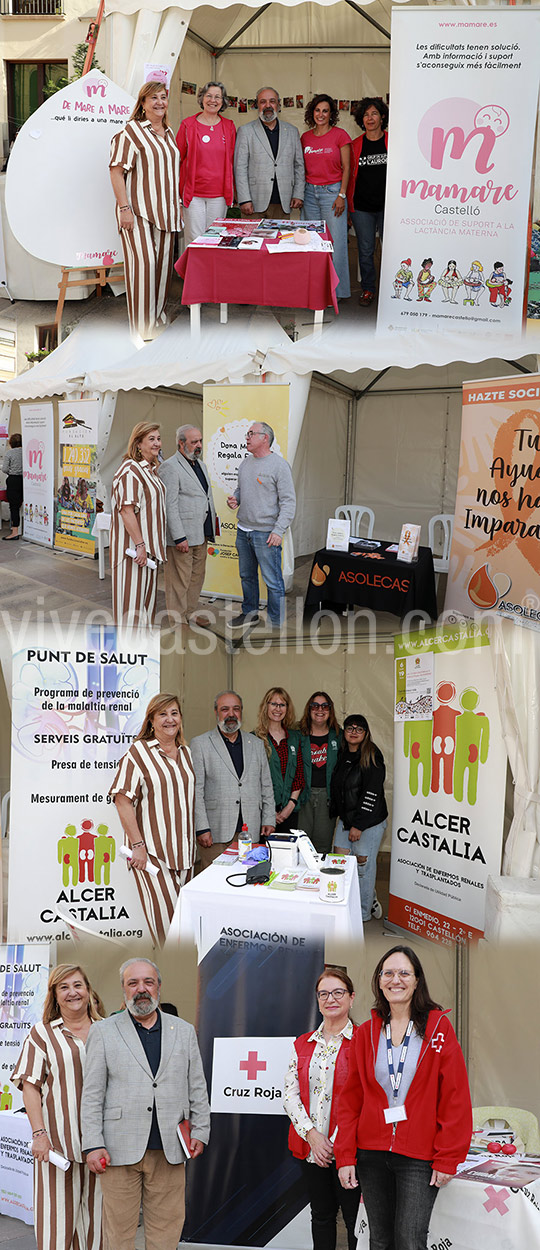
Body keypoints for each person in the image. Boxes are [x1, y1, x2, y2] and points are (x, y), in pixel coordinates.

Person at [335, 946, 472, 1250]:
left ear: (416, 980)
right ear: (379, 980)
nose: (395, 980)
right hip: (371, 1153)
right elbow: (350, 1100)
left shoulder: (438, 1029)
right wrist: (345, 1156)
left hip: (418, 1156)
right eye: (388, 973)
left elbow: (455, 1096)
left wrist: (448, 1156)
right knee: (380, 1240)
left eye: (404, 973)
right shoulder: (366, 1033)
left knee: (410, 1240)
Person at [82, 958, 210, 1250]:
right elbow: (92, 1094)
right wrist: (93, 1144)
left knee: (166, 1231)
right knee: (118, 1234)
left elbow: (197, 1086)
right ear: (124, 989)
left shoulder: (184, 1031)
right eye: (133, 983)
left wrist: (201, 1131)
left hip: (170, 1148)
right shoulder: (103, 1031)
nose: (141, 989)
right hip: (117, 1150)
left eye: (148, 982)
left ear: (159, 987)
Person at [11, 964, 103, 1250]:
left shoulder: (107, 1030)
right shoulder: (42, 1034)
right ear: (54, 995)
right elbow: (30, 1086)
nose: (72, 992)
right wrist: (39, 1134)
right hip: (57, 1147)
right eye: (64, 987)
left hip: (102, 1145)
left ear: (88, 990)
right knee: (56, 1228)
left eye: (77, 985)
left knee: (98, 1229)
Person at [109, 692, 195, 946]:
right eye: (162, 714)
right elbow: (122, 800)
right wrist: (138, 846)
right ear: (151, 720)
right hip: (154, 856)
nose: (170, 719)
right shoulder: (138, 753)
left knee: (186, 932)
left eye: (174, 713)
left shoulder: (186, 753)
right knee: (168, 934)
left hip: (186, 856)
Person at [284, 968, 360, 1250]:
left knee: (355, 1221)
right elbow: (290, 1094)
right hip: (312, 1149)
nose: (331, 999)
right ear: (317, 1000)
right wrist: (313, 1136)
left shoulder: (364, 1041)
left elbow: (365, 1099)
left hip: (352, 1150)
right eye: (324, 994)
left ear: (351, 998)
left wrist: (337, 1144)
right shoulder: (302, 1044)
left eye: (338, 992)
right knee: (321, 1216)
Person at [109, 81, 182, 339]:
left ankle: (157, 322)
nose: (160, 102)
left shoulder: (169, 133)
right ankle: (142, 332)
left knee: (162, 271)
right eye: (153, 98)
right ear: (142, 103)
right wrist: (124, 208)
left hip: (166, 213)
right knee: (144, 268)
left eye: (163, 97)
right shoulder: (130, 132)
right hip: (137, 213)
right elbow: (116, 172)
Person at [190, 690, 275, 869]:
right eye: (225, 709)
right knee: (214, 881)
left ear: (241, 711)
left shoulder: (256, 744)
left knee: (247, 878)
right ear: (216, 712)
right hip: (215, 833)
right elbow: (196, 790)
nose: (231, 714)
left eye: (236, 709)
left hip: (250, 831)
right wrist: (202, 828)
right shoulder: (200, 744)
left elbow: (266, 786)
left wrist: (268, 819)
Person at [226, 421, 296, 629]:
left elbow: (288, 502)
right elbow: (240, 489)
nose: (247, 438)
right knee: (247, 577)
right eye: (247, 434)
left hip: (266, 534)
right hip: (243, 530)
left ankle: (276, 624)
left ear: (265, 438)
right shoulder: (245, 463)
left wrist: (278, 530)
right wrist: (236, 499)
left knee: (273, 582)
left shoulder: (279, 466)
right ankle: (250, 614)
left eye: (251, 434)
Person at [330, 715, 387, 923]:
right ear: (344, 731)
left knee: (363, 865)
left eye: (359, 729)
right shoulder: (342, 754)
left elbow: (371, 794)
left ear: (366, 733)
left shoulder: (372, 756)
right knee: (340, 861)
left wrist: (358, 825)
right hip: (346, 820)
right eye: (350, 728)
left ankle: (363, 913)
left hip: (368, 821)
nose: (354, 732)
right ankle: (355, 901)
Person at [158, 424, 216, 626]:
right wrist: (179, 537)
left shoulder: (200, 465)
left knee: (196, 577)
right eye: (194, 442)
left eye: (200, 441)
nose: (199, 445)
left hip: (201, 532)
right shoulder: (170, 467)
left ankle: (190, 612)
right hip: (182, 536)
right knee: (178, 581)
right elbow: (169, 505)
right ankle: (177, 620)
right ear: (181, 444)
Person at [110, 421, 166, 630]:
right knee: (131, 610)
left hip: (148, 552)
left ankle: (143, 648)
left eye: (158, 438)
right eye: (151, 439)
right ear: (138, 444)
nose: (157, 443)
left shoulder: (150, 469)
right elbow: (126, 510)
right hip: (133, 553)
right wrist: (140, 545)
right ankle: (127, 649)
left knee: (146, 608)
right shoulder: (130, 470)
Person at [301, 95, 351, 299]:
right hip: (309, 194)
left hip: (332, 193)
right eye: (317, 110)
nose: (320, 114)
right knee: (312, 242)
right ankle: (315, 289)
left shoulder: (340, 135)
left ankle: (337, 293)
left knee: (335, 243)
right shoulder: (305, 138)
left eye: (325, 111)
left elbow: (347, 168)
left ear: (331, 114)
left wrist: (342, 195)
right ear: (312, 113)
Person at [176, 81, 236, 247]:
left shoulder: (229, 126)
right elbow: (177, 159)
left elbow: (232, 160)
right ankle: (192, 266)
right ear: (202, 98)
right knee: (195, 239)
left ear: (223, 101)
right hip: (193, 195)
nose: (213, 100)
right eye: (209, 96)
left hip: (219, 195)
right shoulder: (188, 125)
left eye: (217, 97)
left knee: (214, 239)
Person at [234, 86, 305, 218]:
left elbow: (299, 166)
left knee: (281, 233)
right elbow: (240, 168)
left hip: (284, 202)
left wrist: (298, 194)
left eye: (272, 101)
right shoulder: (245, 131)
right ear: (257, 105)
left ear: (278, 104)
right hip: (253, 203)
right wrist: (244, 199)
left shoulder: (292, 131)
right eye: (263, 102)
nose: (268, 105)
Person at [347, 97, 388, 307]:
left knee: (390, 250)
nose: (370, 118)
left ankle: (393, 290)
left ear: (382, 117)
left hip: (389, 208)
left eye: (374, 114)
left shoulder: (393, 142)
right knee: (365, 250)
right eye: (366, 115)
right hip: (362, 208)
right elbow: (348, 177)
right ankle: (368, 289)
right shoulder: (355, 146)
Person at [254, 688, 305, 832]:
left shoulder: (295, 737)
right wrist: (269, 812)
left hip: (290, 811)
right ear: (266, 706)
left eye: (282, 705)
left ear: (287, 708)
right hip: (263, 813)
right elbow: (253, 780)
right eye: (273, 704)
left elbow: (299, 774)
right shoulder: (255, 738)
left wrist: (290, 806)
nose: (278, 709)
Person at [297, 691, 340, 853]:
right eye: (315, 706)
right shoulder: (298, 735)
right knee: (301, 844)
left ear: (330, 710)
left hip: (327, 797)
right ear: (309, 709)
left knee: (322, 845)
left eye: (324, 706)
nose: (320, 710)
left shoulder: (339, 736)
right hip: (303, 796)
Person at [2, 431, 23, 541]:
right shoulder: (26, 452)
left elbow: (5, 469)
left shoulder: (9, 453)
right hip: (26, 479)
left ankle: (14, 532)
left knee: (14, 507)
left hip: (13, 480)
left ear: (11, 443)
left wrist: (11, 471)